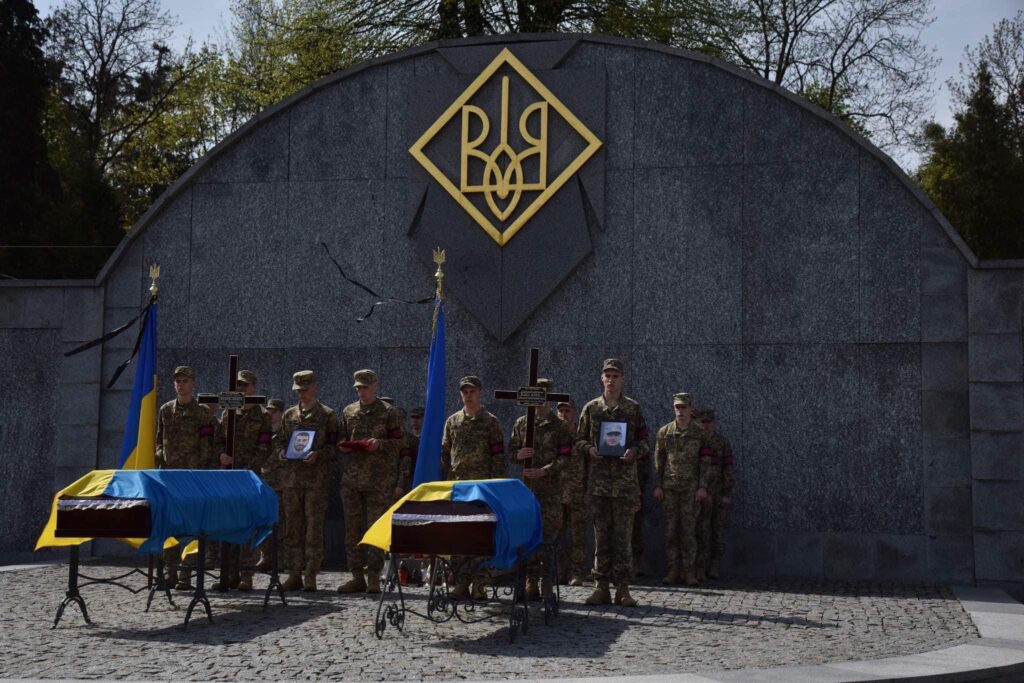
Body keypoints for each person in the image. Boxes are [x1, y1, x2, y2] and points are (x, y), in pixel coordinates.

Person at [576, 359, 649, 607]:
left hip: (625, 485)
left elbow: (644, 442)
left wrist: (634, 452)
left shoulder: (633, 409)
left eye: (615, 375)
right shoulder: (591, 409)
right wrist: (589, 449)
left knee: (623, 538)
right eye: (607, 375)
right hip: (599, 485)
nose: (611, 380)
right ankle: (601, 587)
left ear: (622, 379)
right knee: (601, 537)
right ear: (601, 378)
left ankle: (623, 589)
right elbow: (579, 440)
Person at [335, 369, 403, 594]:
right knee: (352, 529)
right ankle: (356, 576)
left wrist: (380, 444)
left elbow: (398, 443)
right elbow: (341, 439)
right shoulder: (349, 411)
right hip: (352, 479)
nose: (361, 391)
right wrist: (344, 446)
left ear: (375, 386)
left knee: (374, 528)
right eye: (358, 388)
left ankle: (374, 576)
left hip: (378, 481)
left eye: (365, 387)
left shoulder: (388, 412)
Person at [508, 379, 573, 601]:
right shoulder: (522, 423)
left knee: (548, 538)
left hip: (551, 491)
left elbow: (566, 458)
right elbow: (511, 452)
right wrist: (518, 455)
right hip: (528, 491)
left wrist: (545, 471)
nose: (538, 400)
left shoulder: (559, 426)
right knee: (528, 536)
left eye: (542, 394)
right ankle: (531, 581)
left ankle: (547, 582)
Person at [441, 375, 506, 601]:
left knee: (481, 536)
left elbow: (498, 456)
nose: (468, 396)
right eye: (465, 392)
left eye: (472, 391)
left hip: (482, 489)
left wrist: (496, 488)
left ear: (480, 393)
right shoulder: (452, 421)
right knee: (459, 536)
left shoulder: (490, 422)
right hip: (459, 487)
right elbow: (445, 453)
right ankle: (460, 583)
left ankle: (479, 583)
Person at [275, 370, 337, 593]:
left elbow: (334, 447)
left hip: (315, 481)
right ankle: (294, 574)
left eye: (305, 389)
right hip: (292, 480)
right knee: (292, 528)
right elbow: (280, 440)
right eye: (298, 390)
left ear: (315, 388)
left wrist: (319, 454)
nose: (301, 393)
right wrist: (281, 452)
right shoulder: (289, 415)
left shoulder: (327, 415)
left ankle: (310, 574)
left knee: (313, 529)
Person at [212, 370, 273, 591]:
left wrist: (248, 467)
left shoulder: (262, 416)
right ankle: (227, 574)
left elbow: (265, 446)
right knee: (228, 524)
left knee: (248, 525)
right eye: (237, 385)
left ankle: (246, 574)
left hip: (249, 477)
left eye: (245, 385)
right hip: (228, 477)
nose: (240, 389)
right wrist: (221, 455)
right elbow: (218, 440)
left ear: (253, 388)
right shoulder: (228, 413)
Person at [156, 365, 216, 590]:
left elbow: (208, 445)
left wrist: (201, 471)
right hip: (170, 477)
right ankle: (169, 572)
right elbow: (159, 439)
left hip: (192, 478)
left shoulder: (202, 413)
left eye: (185, 381)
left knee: (191, 527)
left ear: (193, 384)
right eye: (177, 381)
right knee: (170, 525)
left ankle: (185, 574)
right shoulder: (166, 410)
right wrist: (160, 454)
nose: (180, 385)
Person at [653, 393, 712, 587]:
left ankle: (689, 572)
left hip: (690, 489)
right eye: (677, 407)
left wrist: (702, 487)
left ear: (691, 408)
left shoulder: (700, 434)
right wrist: (658, 485)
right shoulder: (665, 432)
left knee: (688, 531)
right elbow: (659, 460)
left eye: (684, 407)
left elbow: (705, 462)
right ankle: (673, 570)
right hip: (670, 488)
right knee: (671, 531)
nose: (680, 411)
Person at [694, 408, 734, 580]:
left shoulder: (722, 442)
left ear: (714, 422)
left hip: (717, 492)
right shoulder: (694, 441)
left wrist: (726, 492)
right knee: (700, 530)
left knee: (717, 530)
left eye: (709, 422)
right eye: (703, 421)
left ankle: (715, 564)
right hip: (699, 493)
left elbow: (728, 468)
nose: (706, 425)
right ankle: (700, 566)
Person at [557, 398, 588, 586]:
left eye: (567, 411)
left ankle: (577, 573)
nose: (564, 414)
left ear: (574, 413)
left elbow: (590, 465)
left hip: (578, 492)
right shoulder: (553, 435)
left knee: (578, 535)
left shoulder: (582, 436)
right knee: (558, 535)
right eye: (561, 411)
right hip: (557, 493)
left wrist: (589, 490)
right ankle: (560, 572)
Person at [257, 397, 286, 571]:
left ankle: (280, 558)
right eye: (268, 411)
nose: (270, 414)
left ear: (281, 413)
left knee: (281, 522)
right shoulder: (264, 431)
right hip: (264, 480)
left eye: (274, 411)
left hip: (281, 482)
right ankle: (265, 556)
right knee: (264, 520)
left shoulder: (286, 433)